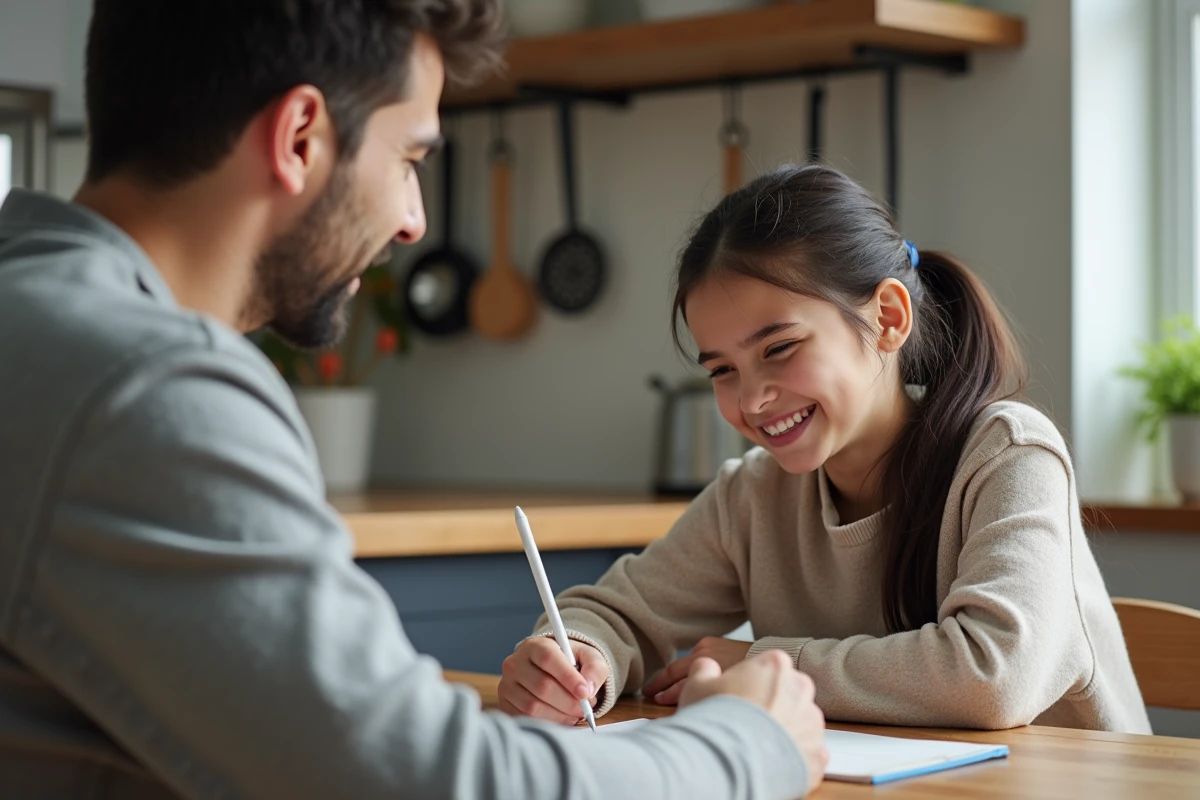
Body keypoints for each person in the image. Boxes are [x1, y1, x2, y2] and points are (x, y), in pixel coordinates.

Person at [0, 2, 828, 797]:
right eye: (408, 160)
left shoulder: (36, 319)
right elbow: (426, 782)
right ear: (299, 137)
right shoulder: (141, 388)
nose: (413, 221)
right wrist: (748, 743)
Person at [499, 163, 1152, 737]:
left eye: (779, 349)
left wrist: (757, 662)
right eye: (722, 370)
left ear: (888, 319)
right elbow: (620, 612)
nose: (751, 400)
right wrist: (578, 653)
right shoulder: (753, 495)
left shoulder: (1009, 456)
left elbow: (991, 674)